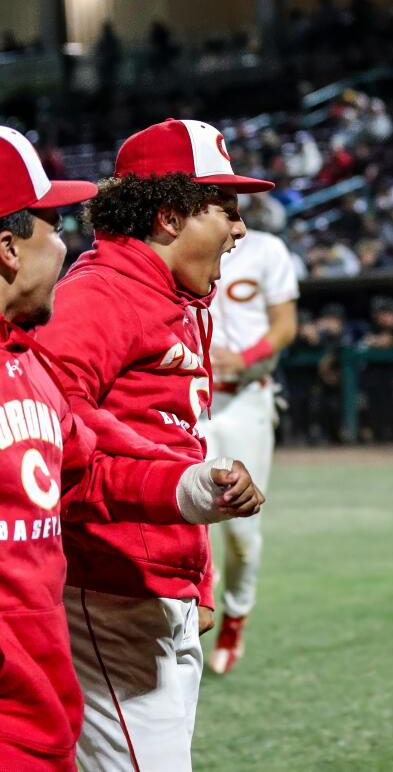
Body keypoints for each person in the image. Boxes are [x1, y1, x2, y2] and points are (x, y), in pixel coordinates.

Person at [0, 126, 263, 770]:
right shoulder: (98, 294)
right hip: (108, 584)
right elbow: (57, 445)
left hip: (152, 582)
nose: (240, 230)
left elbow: (168, 435)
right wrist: (185, 495)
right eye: (224, 209)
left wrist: (193, 578)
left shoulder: (176, 295)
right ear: (170, 215)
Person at [199, 225, 299, 675]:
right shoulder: (180, 243)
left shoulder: (265, 249)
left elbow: (285, 324)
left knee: (240, 530)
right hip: (190, 398)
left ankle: (236, 614)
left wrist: (246, 356)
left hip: (245, 398)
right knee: (186, 514)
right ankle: (195, 607)